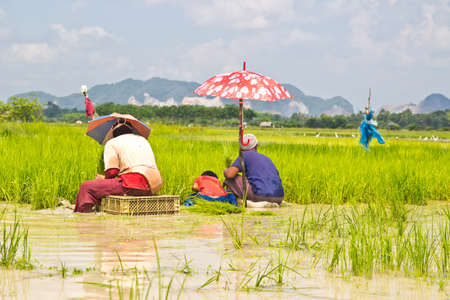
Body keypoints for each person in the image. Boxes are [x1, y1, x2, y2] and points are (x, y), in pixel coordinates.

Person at [74, 120, 162, 213]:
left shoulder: (112, 143)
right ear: (130, 130)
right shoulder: (143, 140)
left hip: (134, 183)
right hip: (155, 185)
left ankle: (82, 215)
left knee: (86, 187)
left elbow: (112, 172)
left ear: (113, 132)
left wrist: (103, 179)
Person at [224, 133, 284, 207]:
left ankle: (232, 202)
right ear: (256, 146)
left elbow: (230, 174)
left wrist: (226, 170)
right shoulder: (266, 158)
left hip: (260, 195)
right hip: (279, 197)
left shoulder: (244, 155)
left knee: (230, 179)